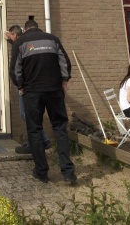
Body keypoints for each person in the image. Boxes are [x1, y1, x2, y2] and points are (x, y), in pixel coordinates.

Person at [10, 19, 76, 185]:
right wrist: (64, 80)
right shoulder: (52, 39)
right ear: (38, 28)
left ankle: (42, 172)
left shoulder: (21, 42)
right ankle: (68, 172)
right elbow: (65, 62)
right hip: (54, 91)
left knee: (34, 130)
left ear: (25, 30)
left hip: (32, 93)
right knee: (60, 128)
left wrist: (20, 86)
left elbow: (15, 70)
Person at [7, 25, 52, 154]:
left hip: (26, 86)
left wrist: (19, 86)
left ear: (15, 35)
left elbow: (15, 69)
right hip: (33, 85)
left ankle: (38, 142)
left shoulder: (20, 45)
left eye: (11, 35)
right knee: (29, 114)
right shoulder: (27, 43)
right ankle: (43, 141)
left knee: (26, 114)